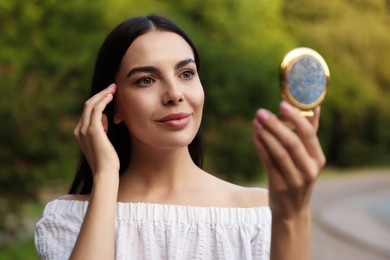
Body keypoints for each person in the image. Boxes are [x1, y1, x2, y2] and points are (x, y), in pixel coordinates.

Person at [35, 14, 325, 260]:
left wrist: (292, 214)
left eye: (186, 73)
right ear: (113, 105)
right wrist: (106, 176)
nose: (174, 94)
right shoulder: (69, 218)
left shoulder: (256, 215)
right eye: (146, 80)